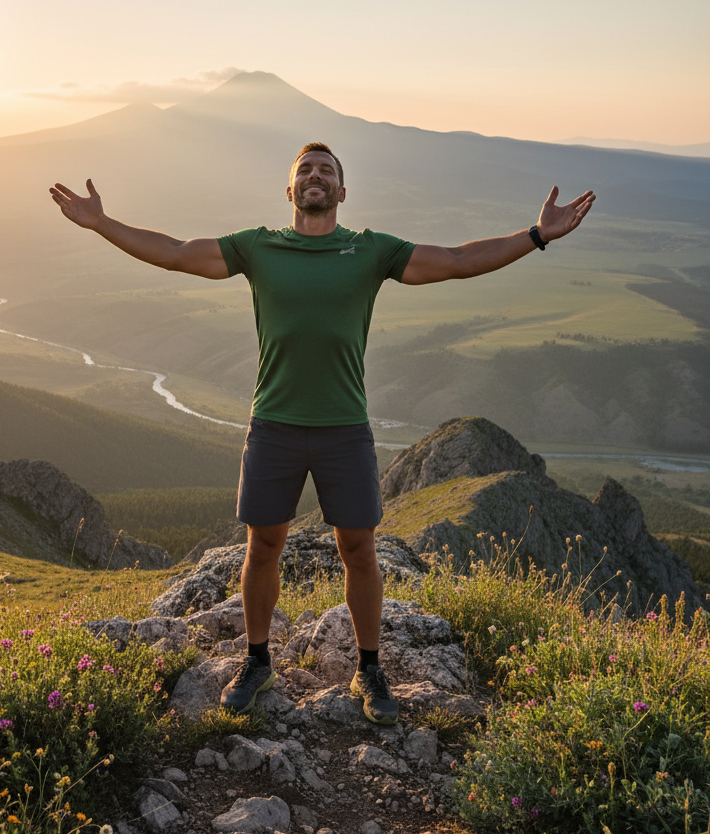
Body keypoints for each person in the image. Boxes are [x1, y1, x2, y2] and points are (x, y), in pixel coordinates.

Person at [50, 142, 594, 723]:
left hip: (345, 429)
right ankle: (257, 660)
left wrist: (535, 236)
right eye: (304, 170)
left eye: (326, 171)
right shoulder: (258, 247)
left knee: (359, 551)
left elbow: (459, 260)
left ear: (341, 192)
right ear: (290, 191)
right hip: (274, 425)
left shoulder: (371, 251)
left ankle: (369, 665)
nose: (315, 176)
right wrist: (102, 224)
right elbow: (177, 254)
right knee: (263, 547)